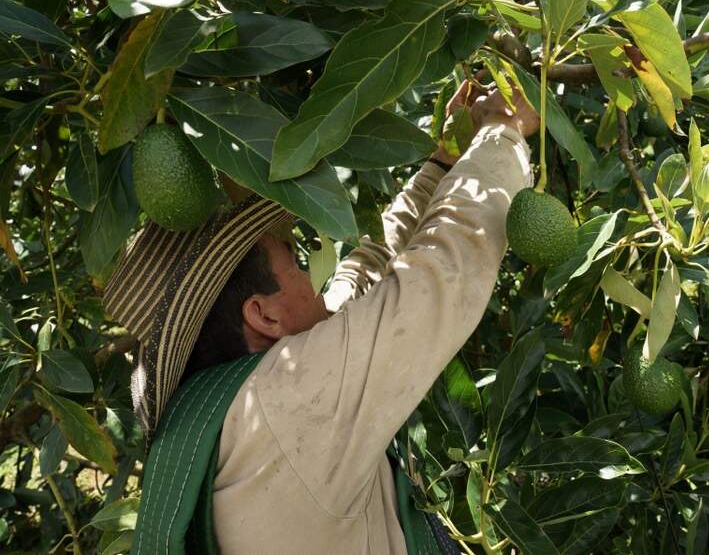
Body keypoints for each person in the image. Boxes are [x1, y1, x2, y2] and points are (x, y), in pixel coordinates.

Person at [104, 81, 539, 554]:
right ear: (263, 315)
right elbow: (441, 272)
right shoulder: (288, 397)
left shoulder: (231, 412)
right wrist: (504, 130)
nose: (311, 270)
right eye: (292, 259)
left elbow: (368, 270)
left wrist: (441, 164)